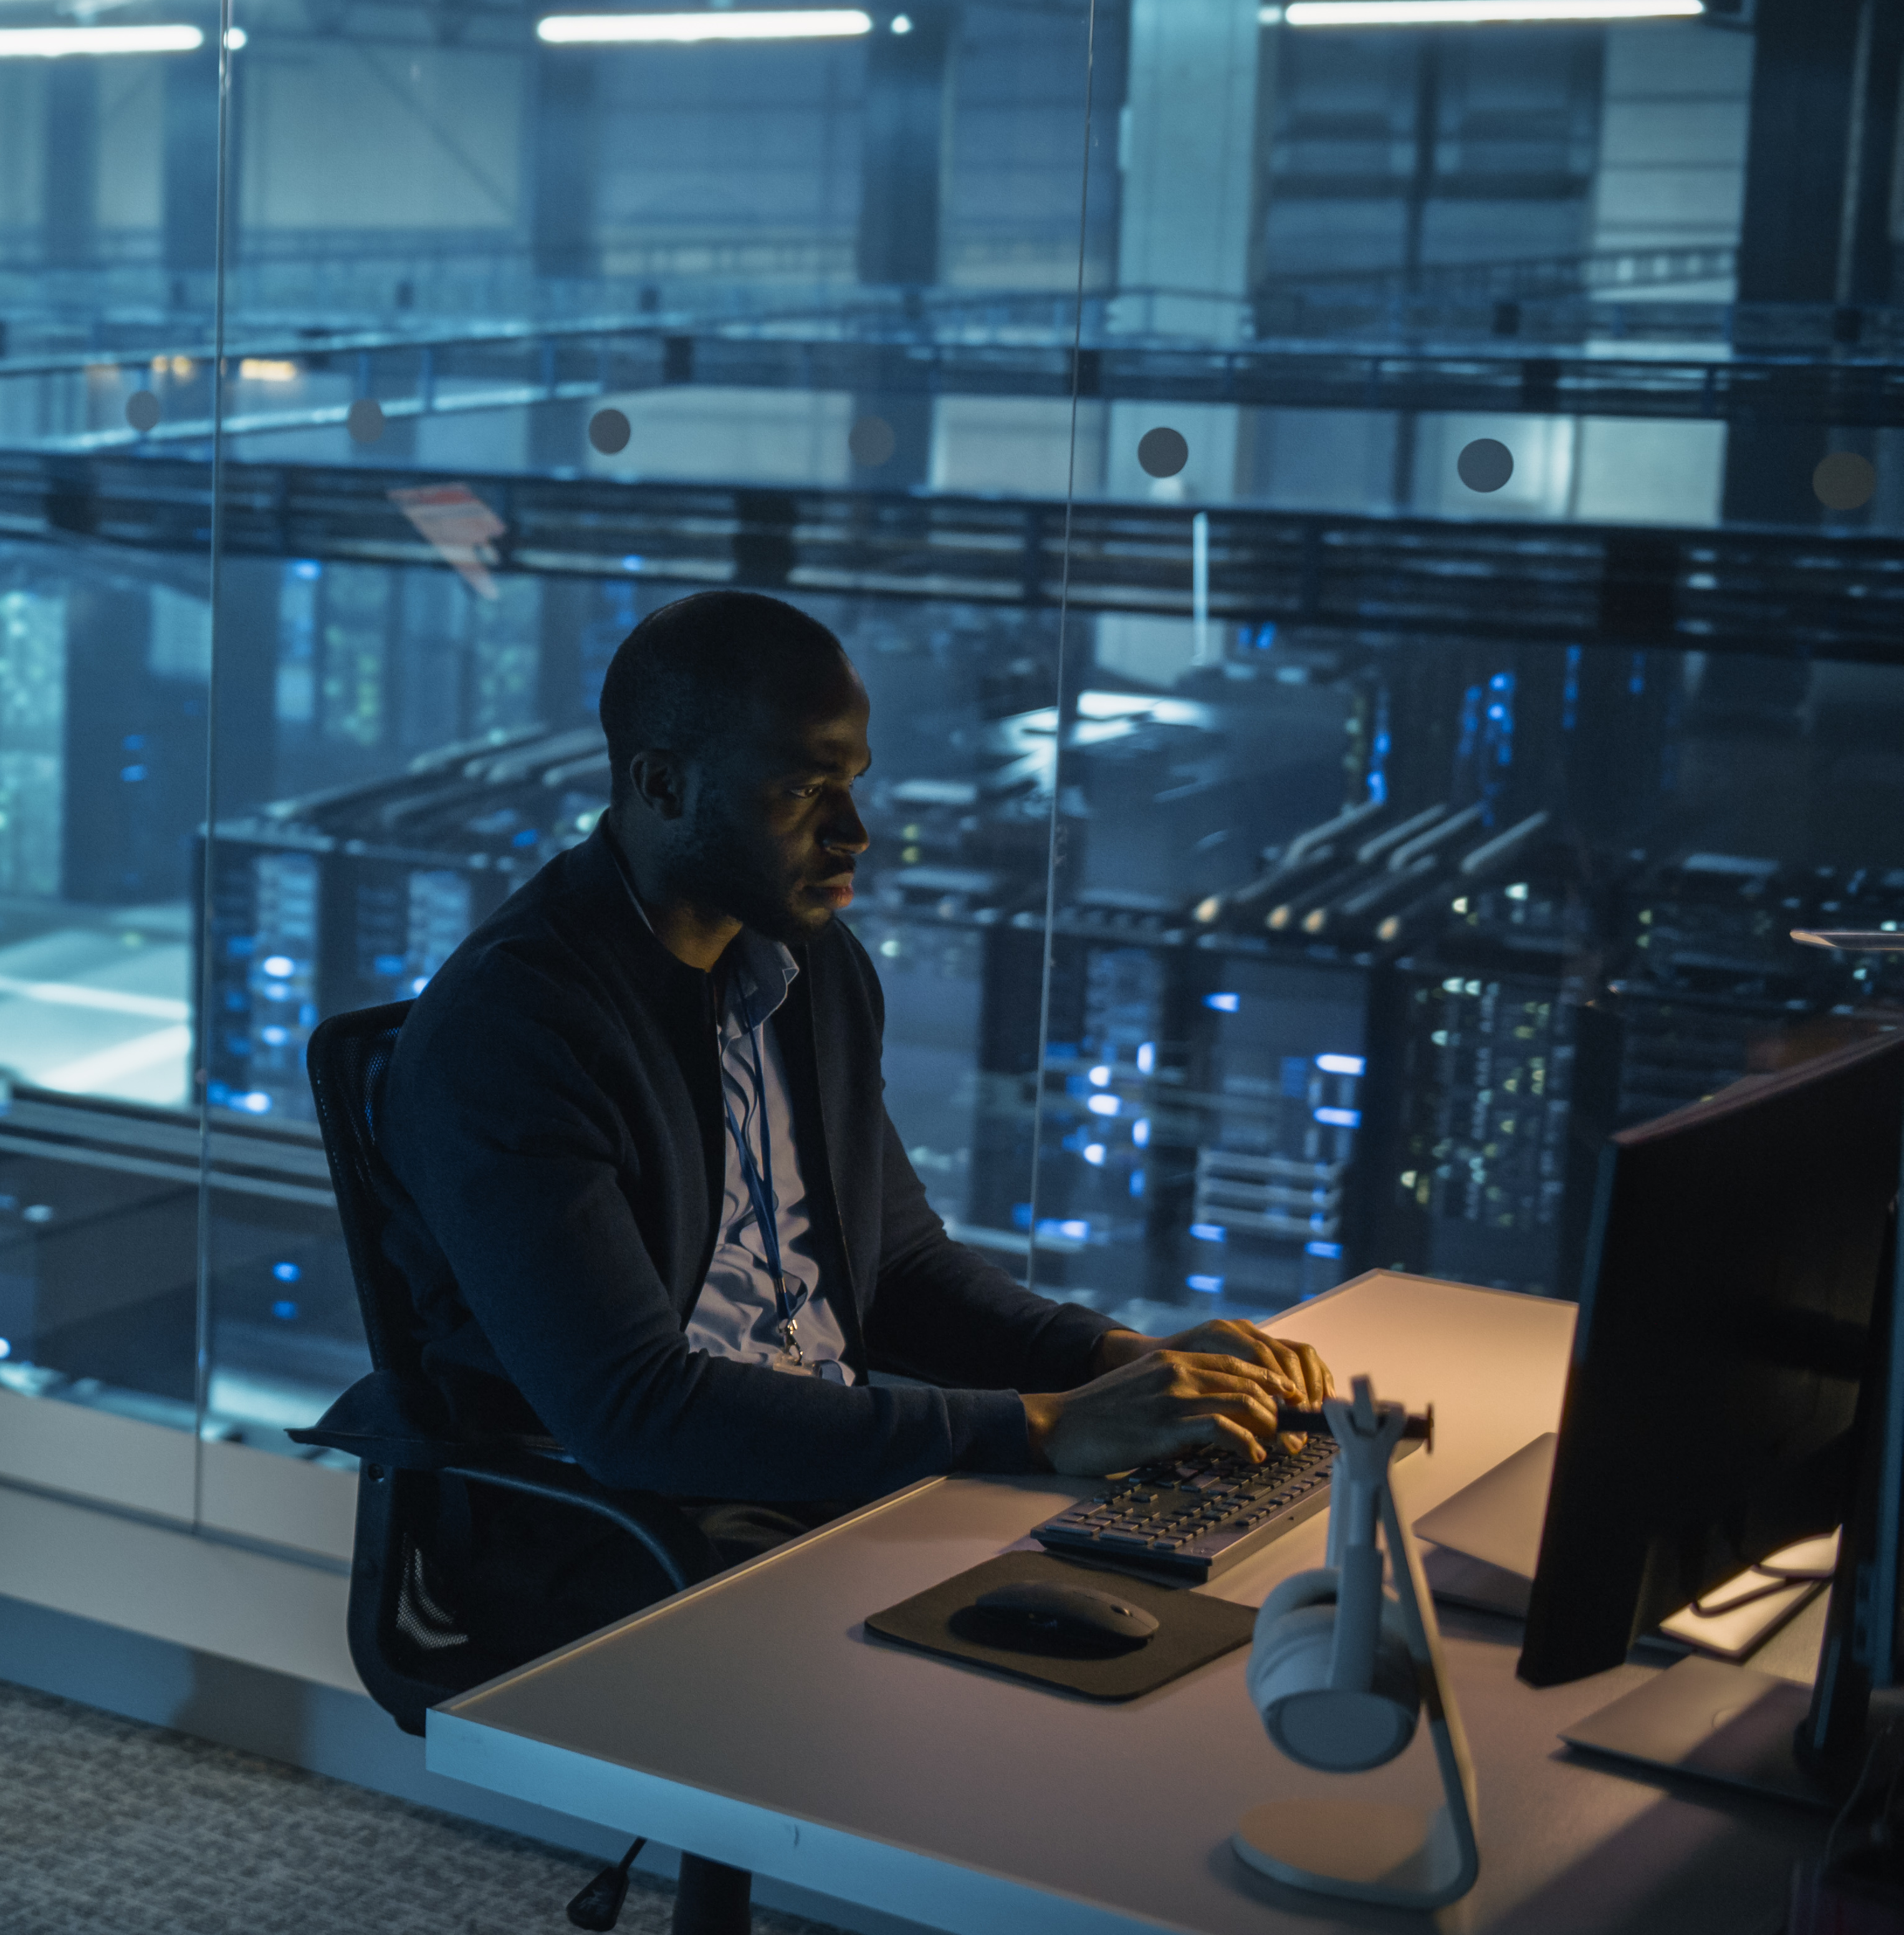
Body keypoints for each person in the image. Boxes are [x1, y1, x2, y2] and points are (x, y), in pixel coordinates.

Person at [379, 586, 1334, 1645]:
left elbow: (902, 1269)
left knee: (1211, 1597)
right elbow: (635, 1415)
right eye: (803, 789)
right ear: (661, 784)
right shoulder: (517, 1030)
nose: (855, 832)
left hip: (816, 1475)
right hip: (628, 1525)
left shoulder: (811, 971)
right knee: (1063, 1687)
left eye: (852, 783)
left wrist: (1109, 1361)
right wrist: (1044, 1427)